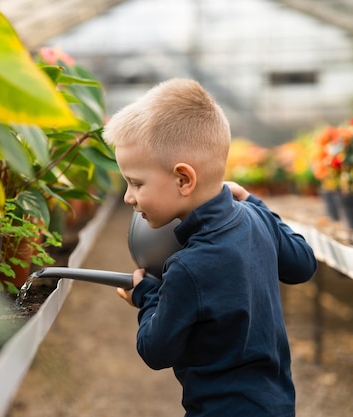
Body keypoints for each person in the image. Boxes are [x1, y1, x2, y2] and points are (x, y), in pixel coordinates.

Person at [102, 78, 317, 417]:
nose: (128, 197)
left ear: (184, 179)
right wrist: (253, 201)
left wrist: (146, 295)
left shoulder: (188, 266)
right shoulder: (256, 219)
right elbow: (303, 264)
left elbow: (156, 350)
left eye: (136, 183)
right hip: (277, 404)